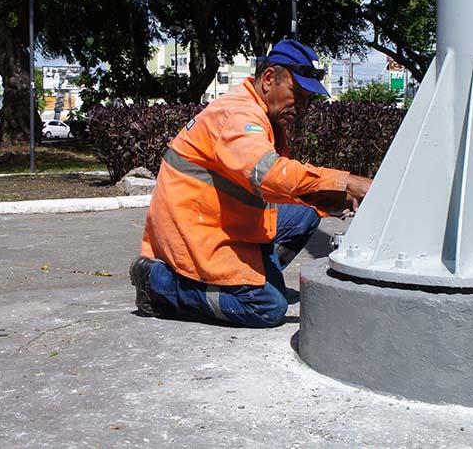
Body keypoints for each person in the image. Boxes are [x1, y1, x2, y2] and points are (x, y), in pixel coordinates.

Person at [130, 39, 373, 328]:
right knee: (266, 307)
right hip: (196, 230)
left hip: (220, 218)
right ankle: (159, 284)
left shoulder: (263, 114)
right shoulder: (239, 116)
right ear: (269, 78)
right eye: (297, 94)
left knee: (307, 214)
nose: (302, 107)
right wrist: (346, 181)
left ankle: (254, 278)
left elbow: (277, 186)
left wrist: (331, 197)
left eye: (308, 99)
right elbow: (270, 175)